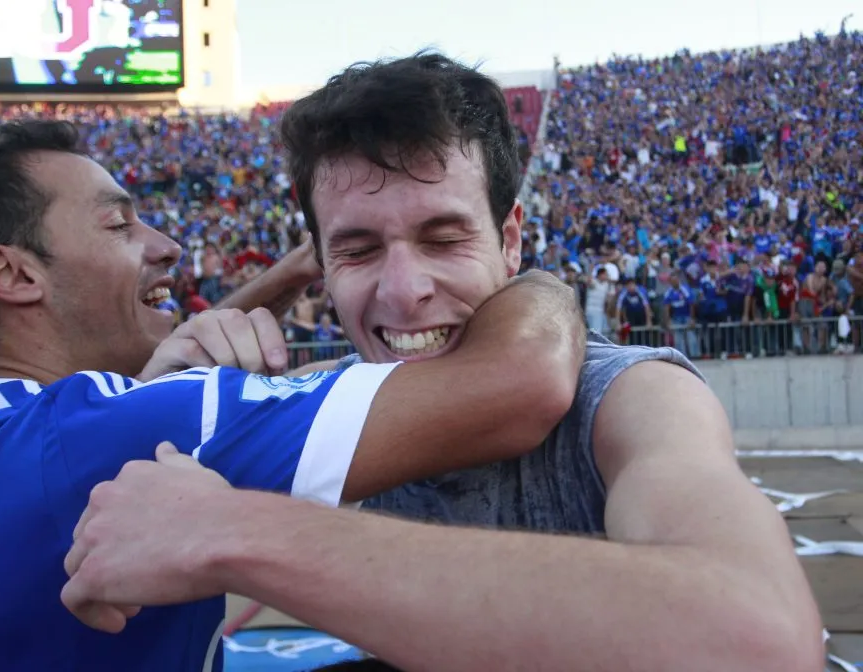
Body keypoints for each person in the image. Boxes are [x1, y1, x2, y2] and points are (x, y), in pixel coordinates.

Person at [62, 53, 824, 671]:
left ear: (512, 239)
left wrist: (235, 533)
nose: (404, 290)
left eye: (443, 238)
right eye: (358, 250)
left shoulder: (630, 396)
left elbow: (758, 637)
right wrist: (165, 394)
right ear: (321, 268)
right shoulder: (333, 406)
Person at [0, 120, 585, 672]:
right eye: (120, 224)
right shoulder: (108, 432)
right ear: (14, 275)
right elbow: (522, 378)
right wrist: (533, 272)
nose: (167, 244)